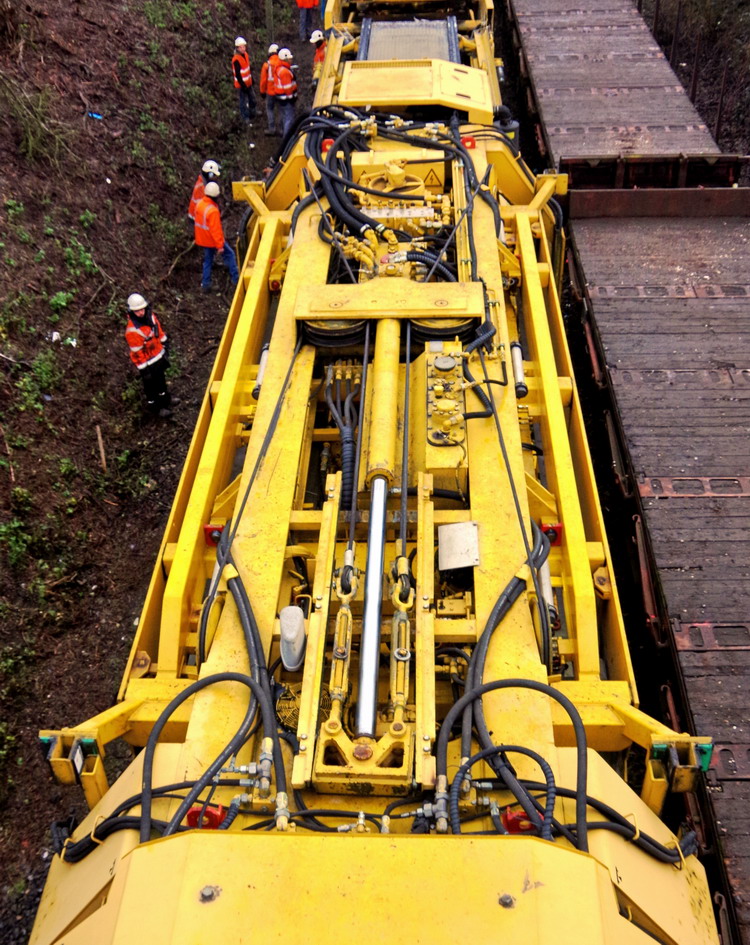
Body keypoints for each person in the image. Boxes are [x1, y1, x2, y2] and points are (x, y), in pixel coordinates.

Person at [124, 293, 176, 418]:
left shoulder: (151, 317)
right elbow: (137, 353)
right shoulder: (132, 331)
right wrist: (144, 370)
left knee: (161, 382)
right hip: (147, 363)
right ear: (132, 311)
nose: (141, 312)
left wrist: (165, 343)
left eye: (142, 309)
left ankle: (166, 400)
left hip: (158, 357)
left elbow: (159, 331)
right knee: (151, 388)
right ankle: (156, 408)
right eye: (137, 311)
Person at [193, 181, 240, 293]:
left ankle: (205, 285)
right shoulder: (212, 211)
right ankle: (236, 279)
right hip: (211, 240)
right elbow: (216, 230)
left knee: (208, 261)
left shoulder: (200, 204)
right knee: (230, 255)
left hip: (203, 239)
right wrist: (220, 246)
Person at [231, 36, 256, 126]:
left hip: (248, 82)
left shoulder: (246, 55)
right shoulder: (236, 60)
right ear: (237, 48)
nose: (243, 48)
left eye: (244, 47)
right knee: (243, 101)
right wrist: (243, 84)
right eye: (241, 47)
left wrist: (251, 79)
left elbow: (247, 69)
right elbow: (237, 74)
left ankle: (252, 112)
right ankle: (245, 117)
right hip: (241, 85)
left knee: (252, 99)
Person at [275, 48, 298, 138]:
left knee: (283, 116)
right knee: (289, 118)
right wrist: (292, 98)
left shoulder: (279, 68)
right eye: (290, 59)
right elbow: (288, 88)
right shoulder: (285, 72)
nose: (291, 60)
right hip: (286, 99)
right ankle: (287, 138)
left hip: (280, 98)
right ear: (285, 59)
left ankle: (282, 131)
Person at [260, 43, 281, 136]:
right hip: (280, 91)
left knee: (270, 109)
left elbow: (263, 80)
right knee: (281, 109)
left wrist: (262, 91)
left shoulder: (267, 65)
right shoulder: (281, 63)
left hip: (270, 92)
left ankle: (272, 129)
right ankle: (281, 129)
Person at [310, 29, 326, 94]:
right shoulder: (319, 50)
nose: (313, 44)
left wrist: (316, 79)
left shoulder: (324, 52)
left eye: (314, 43)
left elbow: (321, 67)